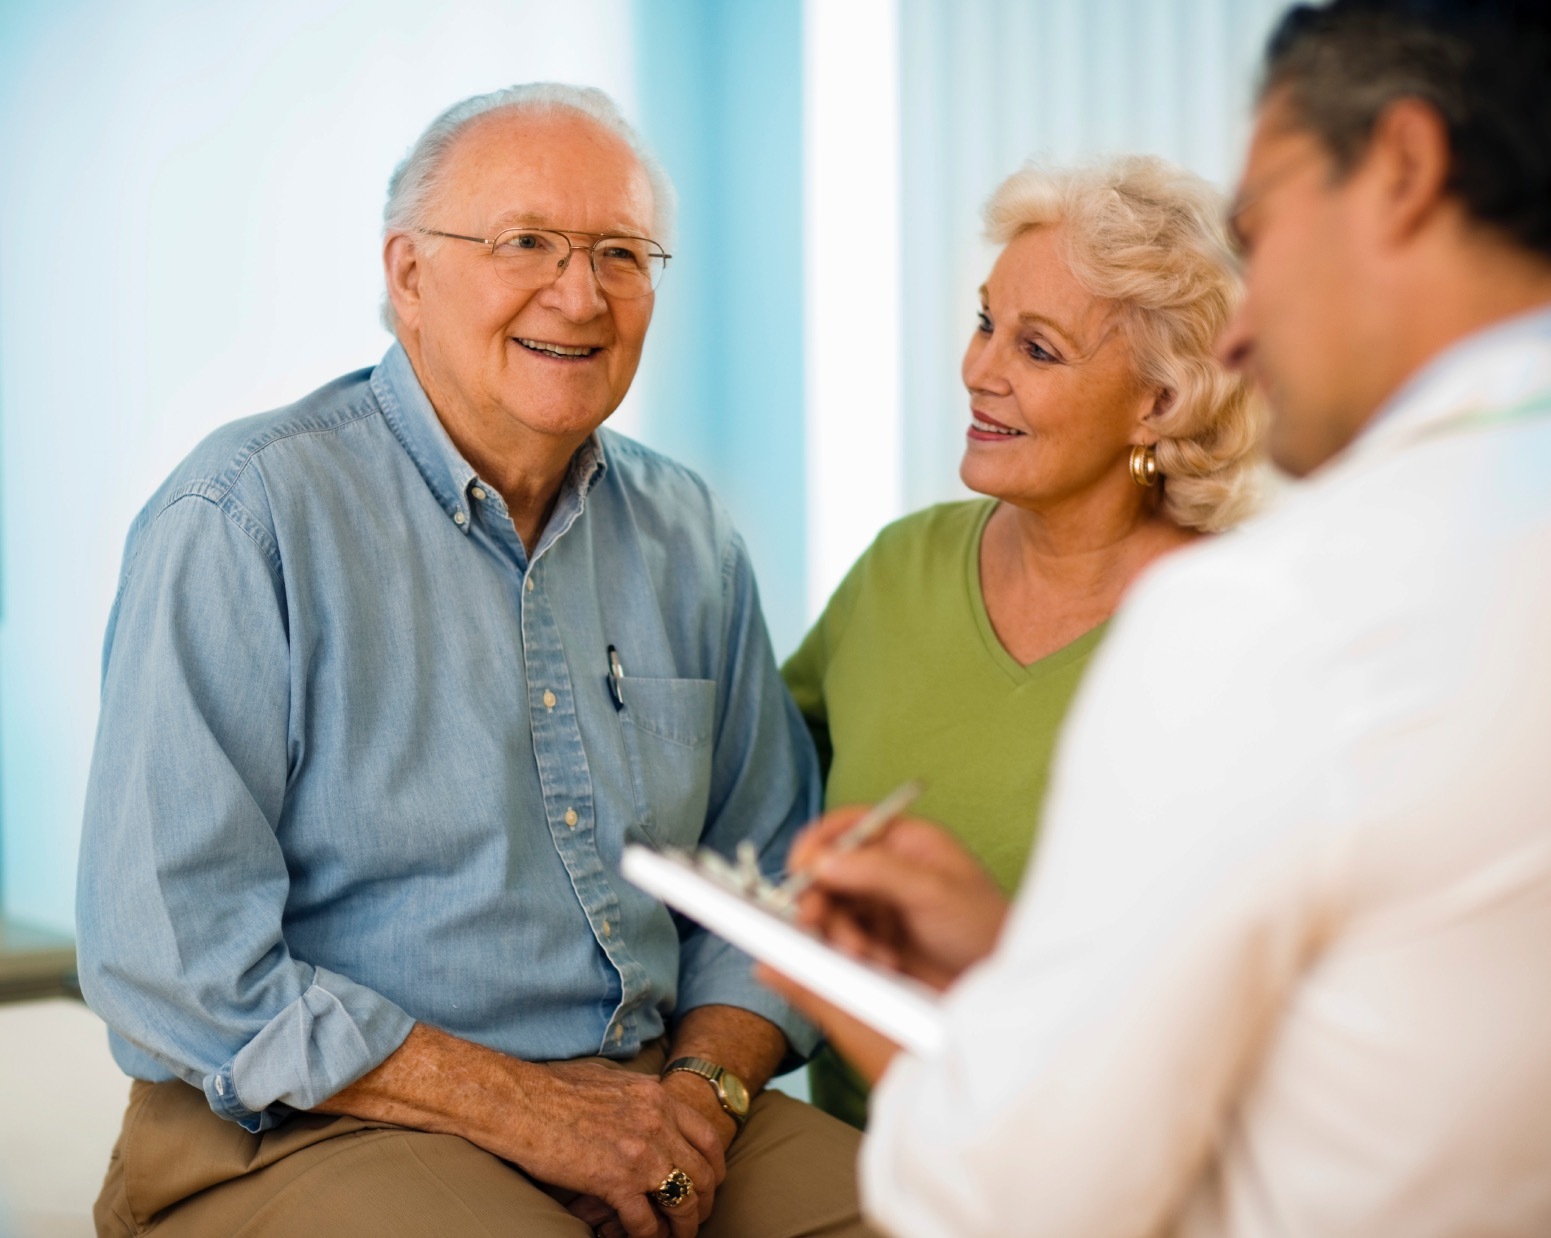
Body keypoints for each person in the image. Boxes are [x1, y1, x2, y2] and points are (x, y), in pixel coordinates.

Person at [765, 0, 1551, 1233]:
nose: (1245, 325)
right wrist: (1014, 962)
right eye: (988, 325)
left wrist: (851, 995)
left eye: (1268, 222)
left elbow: (1024, 1195)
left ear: (1402, 166)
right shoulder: (910, 570)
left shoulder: (1266, 619)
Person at [77, 83, 871, 1238]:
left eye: (621, 252)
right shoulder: (243, 515)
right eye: (528, 243)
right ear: (408, 276)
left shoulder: (688, 532)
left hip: (646, 1096)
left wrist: (699, 1094)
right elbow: (174, 962)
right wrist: (529, 1112)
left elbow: (769, 880)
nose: (581, 292)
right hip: (313, 1119)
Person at [781, 155, 1263, 1126]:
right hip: (850, 1163)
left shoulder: (1240, 630)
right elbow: (758, 792)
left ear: (1160, 402)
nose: (978, 369)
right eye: (985, 321)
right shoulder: (898, 570)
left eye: (1038, 350)